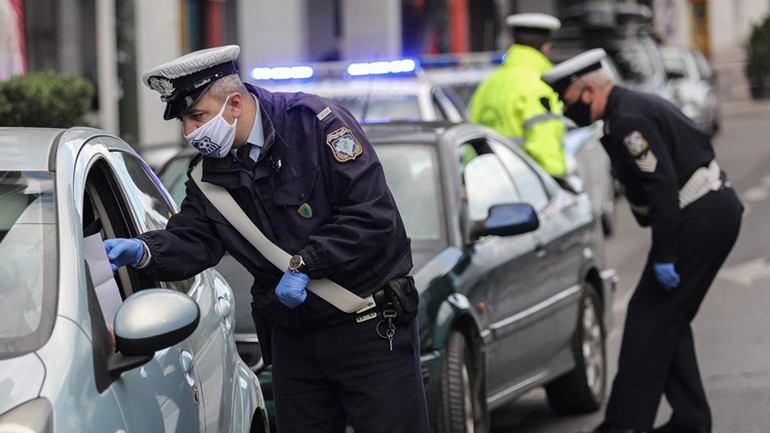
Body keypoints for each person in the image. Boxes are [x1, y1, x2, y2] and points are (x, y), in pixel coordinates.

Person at [102, 45, 429, 433]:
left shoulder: (316, 126)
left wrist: (305, 263)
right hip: (294, 338)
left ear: (235, 103)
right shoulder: (208, 178)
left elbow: (371, 217)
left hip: (369, 328)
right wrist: (143, 252)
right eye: (183, 123)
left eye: (197, 117)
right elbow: (195, 240)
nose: (190, 133)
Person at [542, 49, 743, 433]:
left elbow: (662, 185)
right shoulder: (624, 111)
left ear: (588, 92)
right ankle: (690, 421)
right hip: (708, 211)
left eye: (567, 102)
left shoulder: (629, 119)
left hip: (701, 215)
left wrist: (665, 254)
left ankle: (625, 425)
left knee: (648, 316)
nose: (566, 112)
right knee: (666, 318)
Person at [469, 13, 567, 179]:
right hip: (527, 185)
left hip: (486, 183)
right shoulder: (540, 85)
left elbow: (471, 140)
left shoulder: (488, 84)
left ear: (512, 43)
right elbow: (545, 144)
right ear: (546, 47)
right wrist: (558, 181)